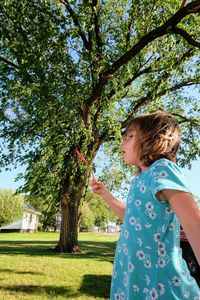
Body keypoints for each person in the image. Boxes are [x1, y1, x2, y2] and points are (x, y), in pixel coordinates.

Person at [91, 111, 200, 300]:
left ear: (152, 138)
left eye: (129, 136)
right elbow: (132, 218)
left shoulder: (162, 170)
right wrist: (106, 195)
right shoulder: (139, 180)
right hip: (133, 279)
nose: (122, 143)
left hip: (159, 285)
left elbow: (194, 225)